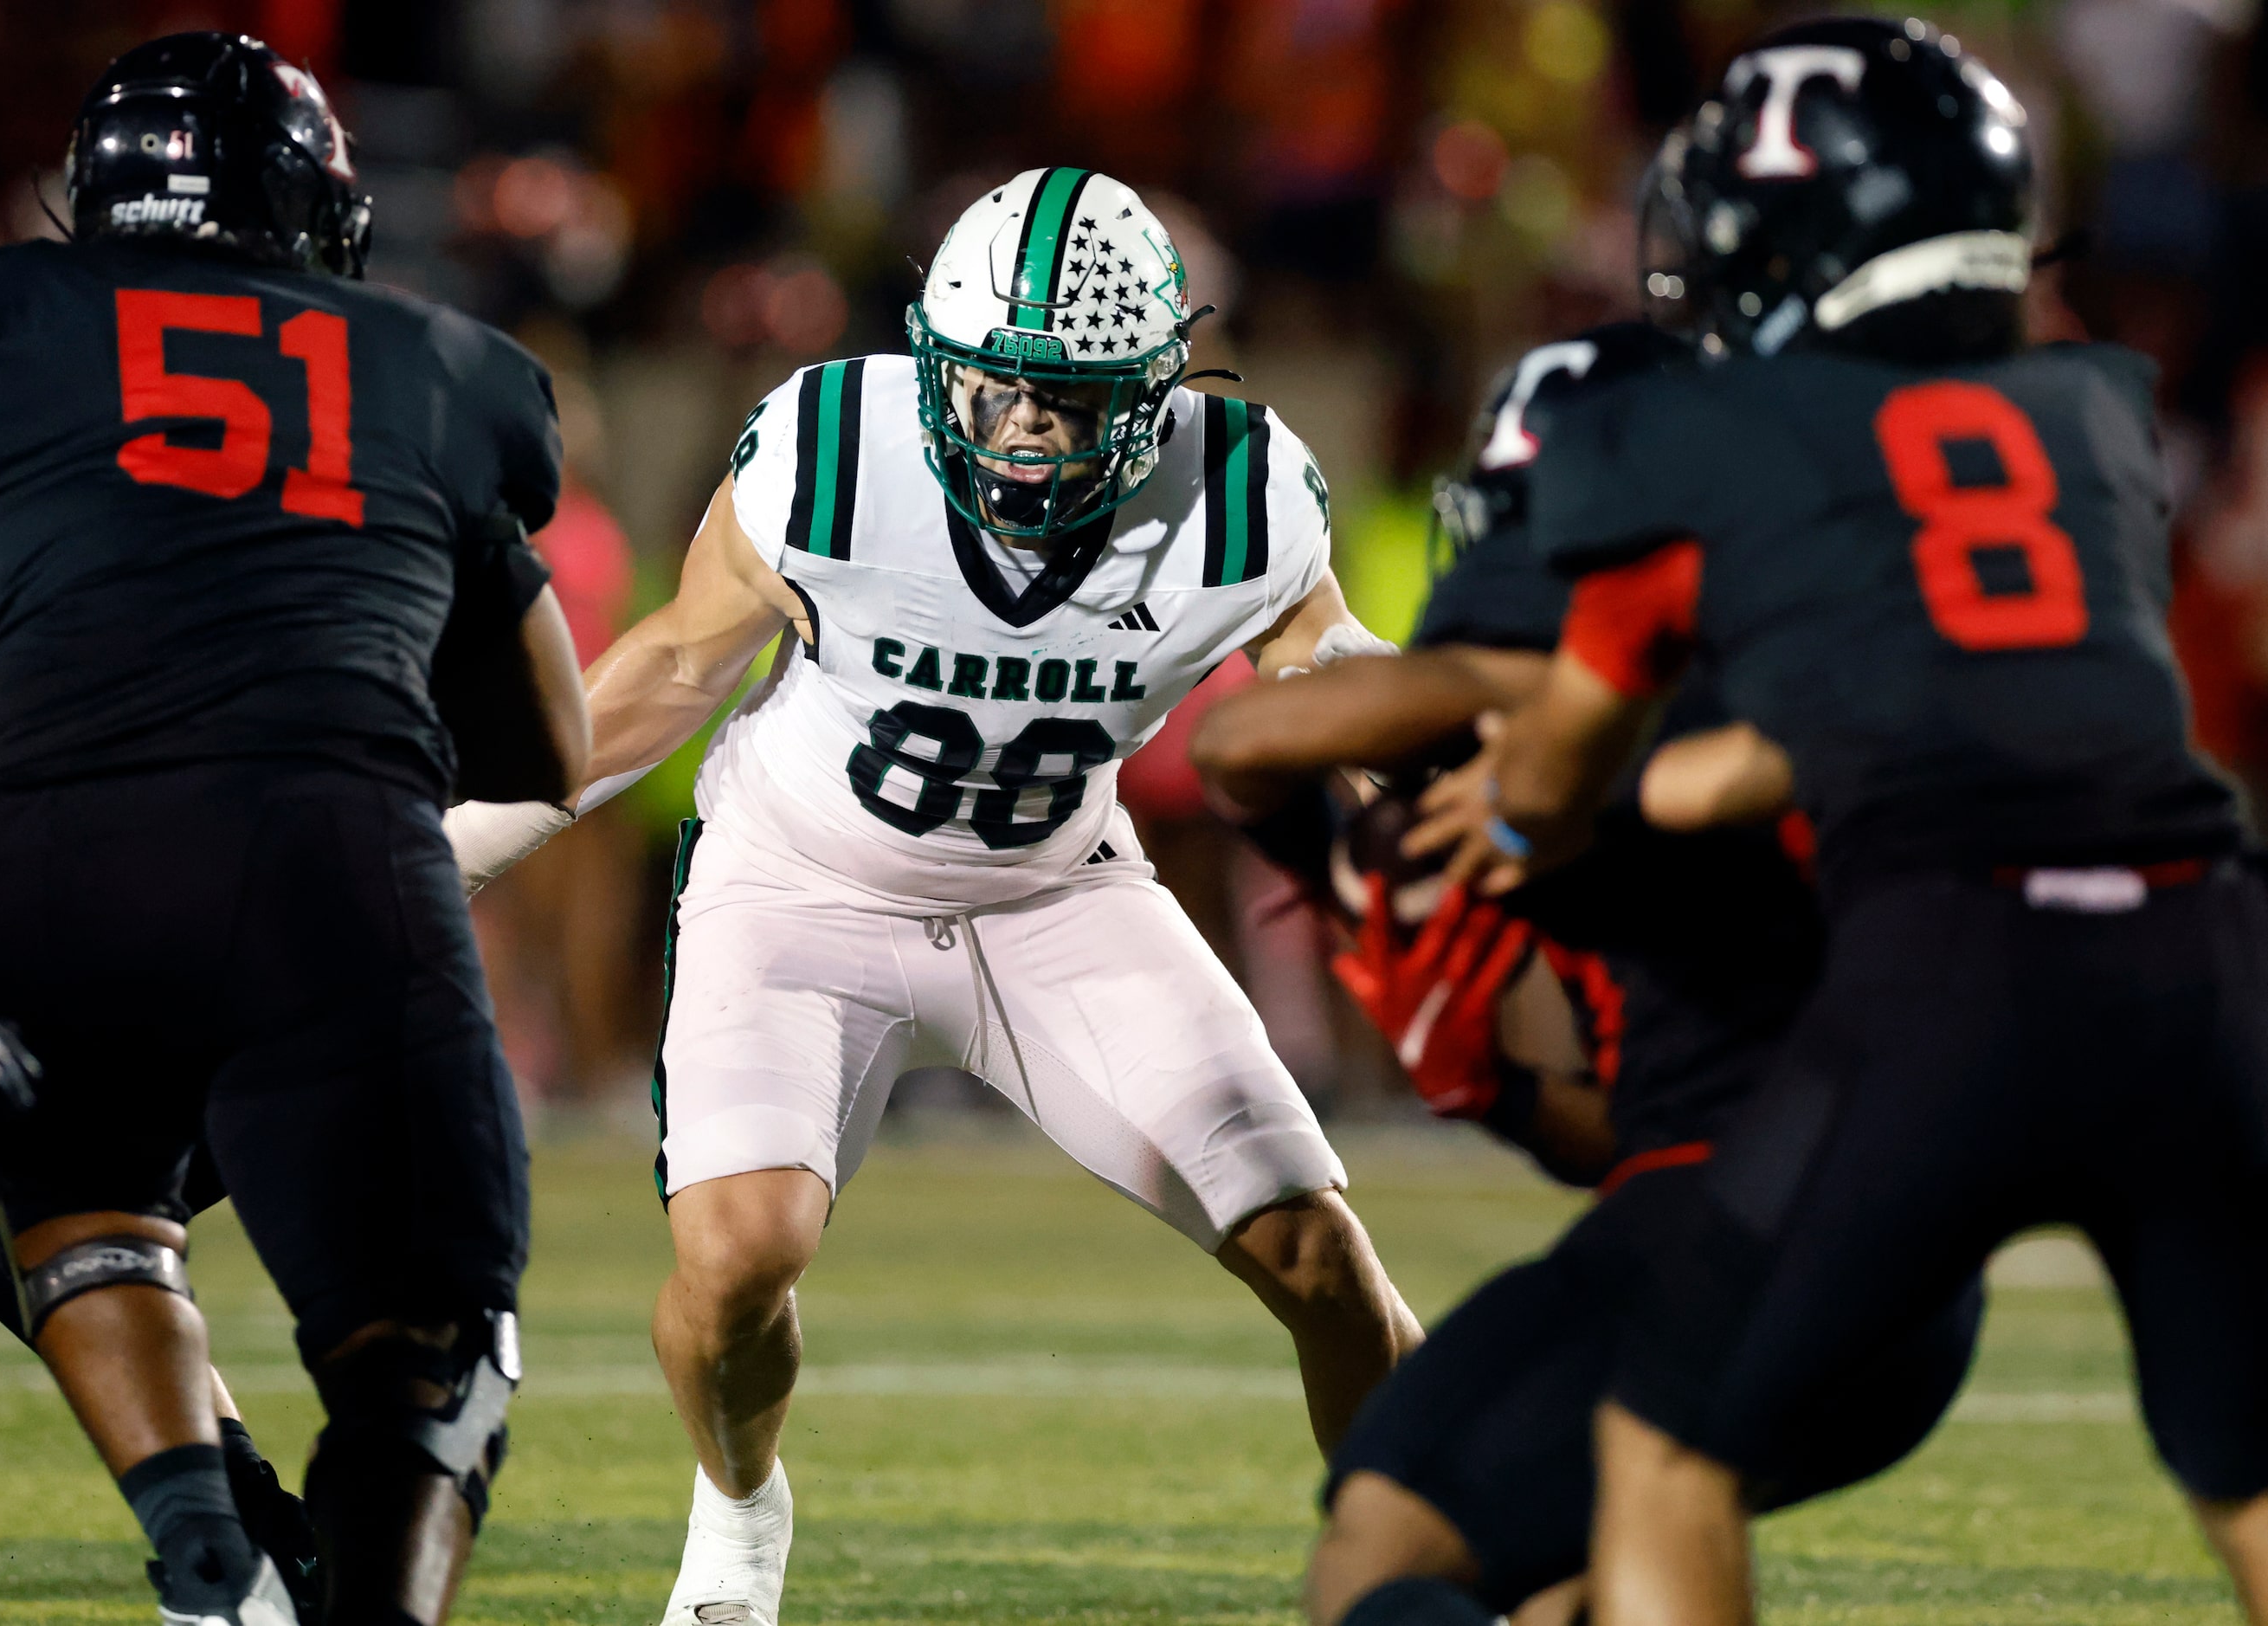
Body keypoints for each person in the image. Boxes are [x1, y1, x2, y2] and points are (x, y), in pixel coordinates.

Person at [447, 167, 1424, 1626]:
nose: (1022, 428)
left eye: (1066, 397)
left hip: (1059, 897)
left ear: (1154, 391)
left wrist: (1468, 801)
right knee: (735, 1261)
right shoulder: (833, 449)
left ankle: (1427, 1571)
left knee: (1321, 1257)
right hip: (800, 880)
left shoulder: (1237, 492)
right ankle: (736, 1516)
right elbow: (667, 672)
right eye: (990, 389)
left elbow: (1326, 675)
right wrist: (442, 845)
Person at [1426, 20, 2268, 1624]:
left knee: (1668, 1443)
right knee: (2245, 1472)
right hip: (2207, 950)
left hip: (1951, 965)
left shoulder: (1698, 428)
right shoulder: (2089, 414)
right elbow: (1963, 690)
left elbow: (1551, 777)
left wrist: (1542, 802)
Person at [0, 33, 588, 1626]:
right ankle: (312, 1589)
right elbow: (547, 743)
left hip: (53, 870)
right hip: (335, 856)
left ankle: (210, 1549)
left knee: (69, 1195)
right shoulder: (441, 360)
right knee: (422, 1356)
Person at [1192, 321, 1985, 1626]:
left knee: (1388, 1548)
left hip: (1763, 1239)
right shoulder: (1835, 661)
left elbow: (1250, 742)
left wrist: (1396, 869)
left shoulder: (1706, 713)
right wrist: (1498, 1086)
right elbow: (1632, 1132)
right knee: (1565, 1576)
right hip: (1874, 1275)